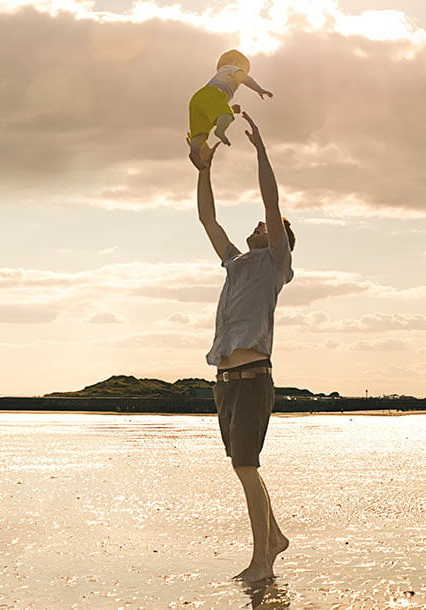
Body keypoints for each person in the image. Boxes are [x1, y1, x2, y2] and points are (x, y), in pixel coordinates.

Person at [194, 111, 295, 582]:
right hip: (225, 383)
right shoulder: (235, 263)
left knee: (247, 466)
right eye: (256, 225)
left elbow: (271, 202)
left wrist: (262, 152)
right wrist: (205, 170)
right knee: (243, 469)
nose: (257, 225)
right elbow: (208, 219)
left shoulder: (275, 263)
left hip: (254, 379)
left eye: (265, 226)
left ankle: (262, 559)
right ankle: (274, 538)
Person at [188, 49, 272, 171]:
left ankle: (194, 152)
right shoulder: (231, 68)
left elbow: (214, 106)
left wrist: (231, 110)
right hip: (212, 94)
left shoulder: (221, 75)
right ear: (235, 62)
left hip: (197, 100)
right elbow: (244, 78)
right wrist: (259, 89)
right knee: (226, 117)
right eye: (244, 69)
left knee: (201, 132)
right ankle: (220, 132)